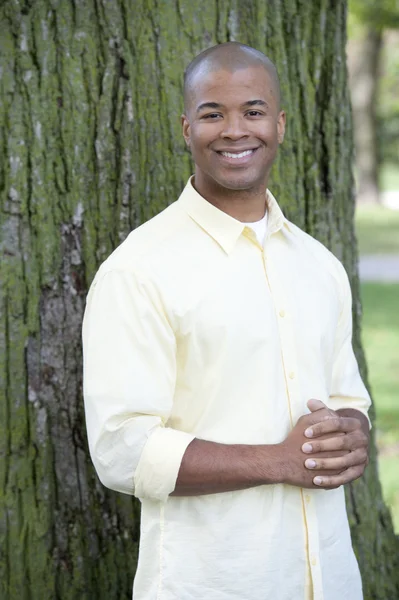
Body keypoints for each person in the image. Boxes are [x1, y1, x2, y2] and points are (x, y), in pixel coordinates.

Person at [82, 42, 371, 600]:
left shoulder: (319, 265)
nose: (236, 130)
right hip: (214, 582)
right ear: (187, 127)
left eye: (254, 111)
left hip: (329, 578)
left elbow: (347, 400)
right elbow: (122, 448)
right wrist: (280, 462)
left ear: (280, 125)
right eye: (214, 113)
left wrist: (352, 432)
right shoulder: (139, 270)